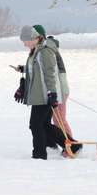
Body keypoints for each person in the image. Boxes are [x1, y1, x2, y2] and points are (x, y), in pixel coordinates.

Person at [14, 25, 80, 159]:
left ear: (33, 38)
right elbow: (37, 68)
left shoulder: (45, 51)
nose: (25, 44)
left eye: (25, 41)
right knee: (44, 124)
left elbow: (50, 73)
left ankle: (39, 154)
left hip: (44, 95)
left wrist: (52, 93)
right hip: (40, 94)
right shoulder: (37, 51)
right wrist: (24, 69)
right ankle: (72, 145)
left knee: (35, 125)